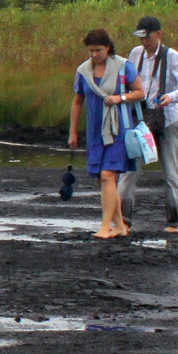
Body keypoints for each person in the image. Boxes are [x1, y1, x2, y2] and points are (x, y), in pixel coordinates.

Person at [119, 14, 178, 234]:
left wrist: (171, 97)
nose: (144, 42)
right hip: (141, 119)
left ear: (158, 34)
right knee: (129, 168)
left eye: (148, 37)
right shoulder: (135, 54)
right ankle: (124, 219)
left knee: (170, 171)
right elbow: (127, 81)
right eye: (141, 37)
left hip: (167, 119)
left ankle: (174, 221)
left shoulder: (172, 56)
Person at [69, 28, 143, 239]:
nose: (94, 55)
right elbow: (77, 101)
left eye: (98, 50)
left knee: (107, 176)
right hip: (94, 132)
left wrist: (120, 98)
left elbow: (140, 92)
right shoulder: (83, 71)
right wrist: (73, 131)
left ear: (108, 47)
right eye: (91, 50)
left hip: (119, 130)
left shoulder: (123, 66)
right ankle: (119, 225)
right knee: (103, 179)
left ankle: (104, 226)